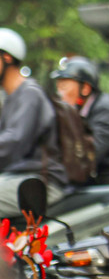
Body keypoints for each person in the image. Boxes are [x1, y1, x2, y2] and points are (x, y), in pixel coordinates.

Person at [0, 29, 67, 216]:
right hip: (18, 178)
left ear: (6, 58)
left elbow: (14, 142)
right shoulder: (11, 97)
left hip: (39, 182)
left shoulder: (29, 94)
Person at [51, 56, 109, 184]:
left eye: (64, 87)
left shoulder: (104, 109)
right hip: (99, 178)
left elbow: (92, 154)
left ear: (85, 88)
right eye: (58, 87)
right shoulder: (80, 111)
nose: (59, 94)